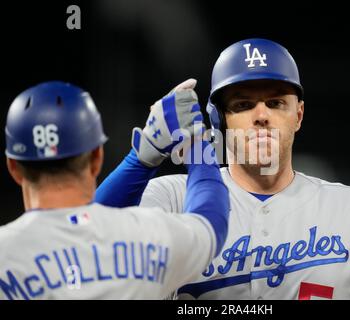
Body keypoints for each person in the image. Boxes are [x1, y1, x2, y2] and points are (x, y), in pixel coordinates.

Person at [95, 38, 350, 300]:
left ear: (297, 115)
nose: (261, 115)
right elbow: (90, 240)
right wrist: (139, 161)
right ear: (220, 119)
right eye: (243, 104)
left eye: (275, 103)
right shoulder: (173, 197)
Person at [0, 80, 229, 299]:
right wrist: (194, 142)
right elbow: (212, 223)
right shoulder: (148, 234)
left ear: (13, 167)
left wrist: (139, 160)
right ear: (97, 158)